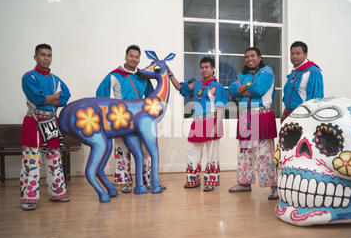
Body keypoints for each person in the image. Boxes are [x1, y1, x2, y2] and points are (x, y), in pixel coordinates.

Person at [96, 45, 156, 194]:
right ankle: (125, 182)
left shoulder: (143, 77)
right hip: (121, 118)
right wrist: (108, 115)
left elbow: (151, 96)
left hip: (140, 119)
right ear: (125, 56)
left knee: (145, 149)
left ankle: (147, 180)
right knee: (122, 149)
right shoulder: (114, 75)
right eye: (131, 56)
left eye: (137, 57)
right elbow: (100, 95)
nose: (134, 59)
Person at [20, 44, 71, 210]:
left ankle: (57, 193)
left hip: (51, 122)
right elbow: (36, 97)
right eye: (42, 55)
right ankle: (29, 198)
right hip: (33, 121)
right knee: (31, 158)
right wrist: (52, 98)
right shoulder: (29, 77)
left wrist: (48, 99)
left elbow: (64, 98)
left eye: (49, 55)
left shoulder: (56, 79)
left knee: (54, 157)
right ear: (35, 57)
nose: (46, 58)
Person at [169, 57, 228, 192]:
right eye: (202, 67)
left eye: (207, 67)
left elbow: (220, 107)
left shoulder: (217, 87)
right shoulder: (196, 84)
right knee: (192, 150)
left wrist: (216, 126)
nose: (204, 70)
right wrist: (170, 73)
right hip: (198, 122)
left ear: (213, 69)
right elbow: (180, 87)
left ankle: (210, 181)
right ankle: (193, 179)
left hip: (212, 121)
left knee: (212, 152)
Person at [228, 47, 278, 200]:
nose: (249, 59)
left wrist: (243, 88)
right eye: (247, 56)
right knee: (244, 152)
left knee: (265, 153)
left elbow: (258, 89)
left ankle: (273, 186)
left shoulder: (267, 71)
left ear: (260, 57)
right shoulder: (242, 75)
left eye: (252, 56)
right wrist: (244, 87)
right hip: (245, 114)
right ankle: (244, 183)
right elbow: (231, 89)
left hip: (261, 114)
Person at [282, 41, 324, 122]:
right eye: (292, 53)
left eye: (298, 53)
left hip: (303, 117)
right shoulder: (294, 71)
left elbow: (316, 99)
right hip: (290, 115)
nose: (294, 56)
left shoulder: (313, 72)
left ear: (305, 54)